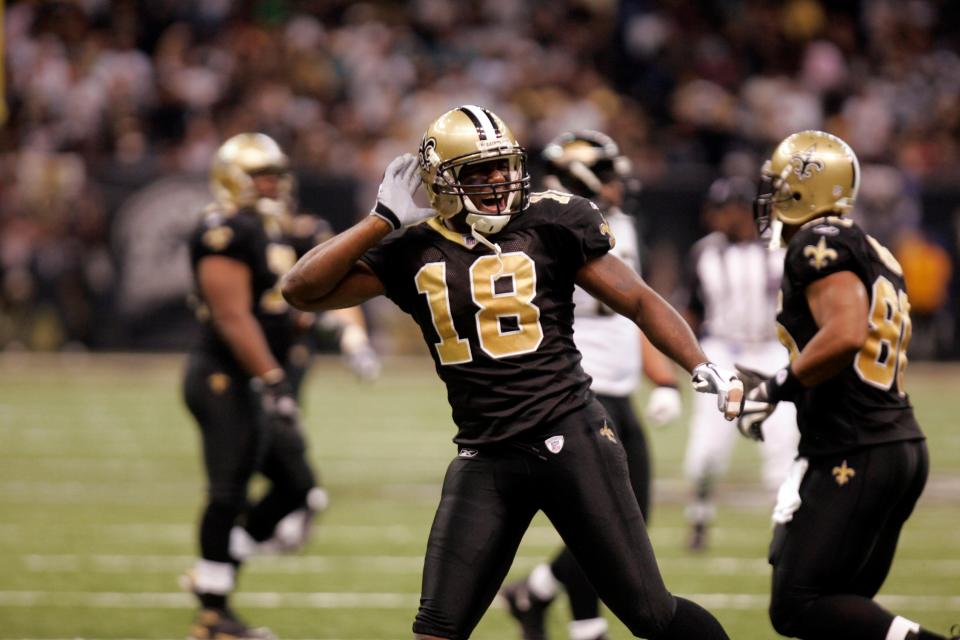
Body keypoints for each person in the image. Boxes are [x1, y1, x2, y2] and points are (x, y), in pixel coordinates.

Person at [281, 105, 743, 640]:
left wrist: (698, 364)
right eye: (481, 171)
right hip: (484, 454)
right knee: (437, 629)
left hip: (570, 438)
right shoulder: (410, 248)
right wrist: (380, 219)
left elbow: (638, 300)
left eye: (504, 166)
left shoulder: (551, 220)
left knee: (650, 614)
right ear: (442, 180)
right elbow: (300, 289)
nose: (499, 181)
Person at [741, 130, 955, 640]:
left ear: (804, 188)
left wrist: (775, 387)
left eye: (779, 184)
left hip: (856, 447)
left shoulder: (819, 243)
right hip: (887, 442)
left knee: (796, 606)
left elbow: (845, 333)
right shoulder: (876, 250)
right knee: (840, 615)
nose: (770, 197)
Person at [181, 132, 377, 640]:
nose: (271, 184)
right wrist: (271, 380)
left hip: (263, 379)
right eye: (259, 176)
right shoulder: (223, 228)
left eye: (274, 175)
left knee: (298, 486)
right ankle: (213, 614)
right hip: (225, 377)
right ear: (233, 179)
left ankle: (217, 565)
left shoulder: (280, 228)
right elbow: (230, 316)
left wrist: (352, 336)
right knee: (227, 491)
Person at [498, 130, 683, 640]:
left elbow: (637, 309)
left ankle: (537, 593)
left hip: (618, 391)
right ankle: (581, 622)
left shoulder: (618, 225)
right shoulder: (542, 230)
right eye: (606, 176)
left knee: (624, 521)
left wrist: (663, 379)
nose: (619, 185)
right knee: (604, 525)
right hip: (576, 390)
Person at [680, 176, 800, 551]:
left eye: (725, 208)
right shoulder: (704, 253)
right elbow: (691, 309)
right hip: (722, 352)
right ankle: (699, 516)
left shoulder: (779, 251)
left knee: (782, 444)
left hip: (769, 350)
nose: (717, 217)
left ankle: (786, 527)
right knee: (706, 452)